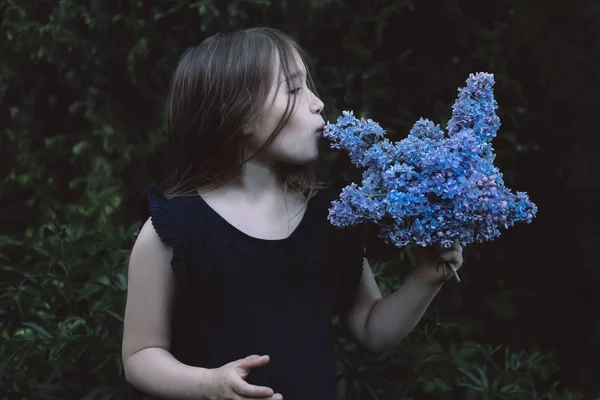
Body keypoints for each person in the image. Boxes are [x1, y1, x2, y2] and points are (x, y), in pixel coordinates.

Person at [121, 27, 464, 400]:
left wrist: (426, 278)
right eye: (294, 89)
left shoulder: (333, 219)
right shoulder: (172, 230)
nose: (317, 103)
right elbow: (140, 356)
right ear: (239, 115)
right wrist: (209, 385)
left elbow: (371, 331)